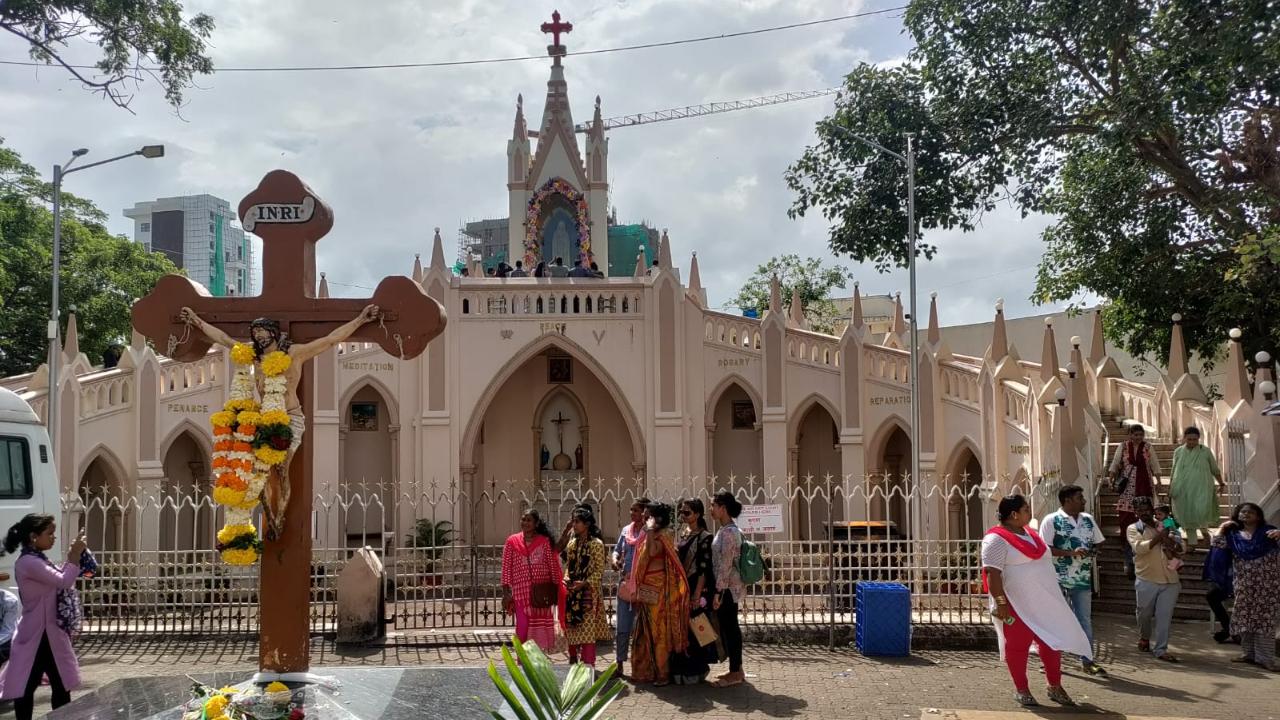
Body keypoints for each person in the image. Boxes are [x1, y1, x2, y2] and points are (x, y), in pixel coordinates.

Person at [179, 304, 380, 537]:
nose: (259, 336)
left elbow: (331, 340)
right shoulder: (253, 357)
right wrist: (196, 320)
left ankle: (280, 516)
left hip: (290, 417)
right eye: (255, 333)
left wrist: (361, 320)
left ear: (273, 332)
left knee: (283, 470)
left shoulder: (294, 353)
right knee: (259, 473)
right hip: (265, 419)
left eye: (263, 331)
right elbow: (223, 339)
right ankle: (269, 516)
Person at [982, 494, 1088, 707]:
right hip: (1016, 605)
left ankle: (1055, 686)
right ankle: (1022, 689)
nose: (1029, 513)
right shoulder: (995, 539)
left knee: (1051, 644)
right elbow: (992, 574)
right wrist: (1001, 603)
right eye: (1026, 510)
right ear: (1014, 514)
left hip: (1045, 603)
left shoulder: (1031, 535)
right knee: (1018, 646)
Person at [0, 514, 88, 719]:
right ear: (33, 536)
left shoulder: (38, 559)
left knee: (57, 686)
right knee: (27, 688)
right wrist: (74, 554)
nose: (53, 538)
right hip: (38, 635)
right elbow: (64, 580)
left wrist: (73, 556)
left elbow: (62, 578)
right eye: (50, 534)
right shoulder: (30, 563)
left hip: (47, 634)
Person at [1038, 484, 1107, 676]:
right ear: (1068, 500)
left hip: (1082, 578)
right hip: (1057, 578)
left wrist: (1092, 550)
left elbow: (1099, 541)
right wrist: (1070, 553)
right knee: (1055, 619)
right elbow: (1045, 549)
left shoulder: (1088, 520)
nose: (1084, 501)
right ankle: (1050, 659)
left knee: (1084, 619)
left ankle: (1087, 660)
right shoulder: (1052, 520)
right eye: (1079, 498)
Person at [1212, 503, 1280, 670]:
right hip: (1244, 585)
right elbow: (1217, 545)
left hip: (1267, 585)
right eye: (1243, 512)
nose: (1246, 514)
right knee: (1245, 618)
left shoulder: (1269, 532)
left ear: (1258, 516)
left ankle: (1265, 658)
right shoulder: (1234, 536)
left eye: (1251, 512)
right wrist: (1222, 527)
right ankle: (1248, 654)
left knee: (1264, 620)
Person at [629, 502, 688, 686]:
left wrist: (649, 530)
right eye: (645, 516)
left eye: (649, 516)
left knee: (657, 631)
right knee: (643, 631)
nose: (645, 519)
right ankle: (646, 671)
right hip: (646, 587)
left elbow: (653, 552)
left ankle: (662, 673)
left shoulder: (664, 534)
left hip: (658, 588)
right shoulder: (650, 534)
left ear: (658, 519)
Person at [1127, 496, 1182, 662]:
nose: (1144, 513)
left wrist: (1173, 540)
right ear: (1135, 512)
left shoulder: (1167, 524)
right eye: (1140, 510)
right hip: (1147, 578)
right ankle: (1144, 637)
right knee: (1144, 614)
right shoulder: (1134, 528)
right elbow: (1139, 548)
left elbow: (1181, 546)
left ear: (1153, 510)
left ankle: (1161, 649)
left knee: (1164, 616)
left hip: (1170, 580)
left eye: (1146, 510)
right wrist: (1159, 536)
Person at [670, 498, 719, 685]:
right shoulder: (683, 533)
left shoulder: (705, 536)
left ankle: (696, 669)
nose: (683, 515)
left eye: (687, 512)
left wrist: (697, 595)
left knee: (695, 629)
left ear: (697, 514)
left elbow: (704, 570)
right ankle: (681, 668)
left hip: (695, 587)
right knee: (681, 629)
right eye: (682, 512)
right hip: (681, 588)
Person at [500, 509, 563, 653]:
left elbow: (552, 564)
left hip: (541, 596)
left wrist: (556, 588)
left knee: (539, 633)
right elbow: (506, 568)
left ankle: (537, 665)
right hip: (521, 595)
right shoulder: (512, 541)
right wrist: (506, 592)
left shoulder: (544, 541)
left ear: (536, 524)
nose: (525, 523)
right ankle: (522, 664)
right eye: (523, 519)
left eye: (529, 520)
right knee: (522, 629)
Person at [1109, 425, 1162, 577]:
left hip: (1145, 485)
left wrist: (1158, 480)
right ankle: (1128, 561)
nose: (1138, 437)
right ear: (1130, 434)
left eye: (1141, 434)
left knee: (1145, 521)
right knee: (1126, 521)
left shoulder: (1148, 447)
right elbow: (1115, 463)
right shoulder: (1123, 446)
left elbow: (1154, 464)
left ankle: (1143, 558)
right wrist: (1111, 478)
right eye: (1136, 434)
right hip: (1127, 488)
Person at [563, 508, 610, 668]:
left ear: (587, 524)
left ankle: (588, 668)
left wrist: (584, 583)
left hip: (588, 593)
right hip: (572, 593)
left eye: (577, 521)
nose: (574, 525)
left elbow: (599, 570)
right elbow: (568, 567)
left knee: (587, 632)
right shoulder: (572, 544)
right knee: (572, 629)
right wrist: (566, 578)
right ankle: (573, 662)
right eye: (573, 521)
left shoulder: (596, 544)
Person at [709, 492, 746, 688]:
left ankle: (736, 672)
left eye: (713, 505)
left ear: (723, 508)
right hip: (726, 588)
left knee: (731, 629)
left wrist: (719, 592)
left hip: (728, 589)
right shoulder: (725, 530)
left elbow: (725, 565)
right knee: (730, 627)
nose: (711, 509)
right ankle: (736, 669)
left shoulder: (730, 533)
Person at [1169, 427, 1225, 551]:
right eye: (1189, 439)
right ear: (1184, 438)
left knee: (1200, 512)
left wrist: (1221, 483)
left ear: (1199, 439)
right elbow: (1174, 470)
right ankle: (1192, 543)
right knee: (1187, 513)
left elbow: (1214, 469)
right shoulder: (1178, 451)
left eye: (1195, 439)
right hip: (1182, 488)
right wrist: (1171, 486)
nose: (1192, 442)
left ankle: (1205, 534)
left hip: (1202, 487)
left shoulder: (1205, 451)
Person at [611, 497, 649, 678]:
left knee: (642, 627)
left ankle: (641, 666)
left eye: (635, 510)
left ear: (644, 512)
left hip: (644, 585)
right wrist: (615, 559)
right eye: (631, 510)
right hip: (626, 584)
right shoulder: (626, 530)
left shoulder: (650, 532)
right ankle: (619, 664)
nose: (632, 513)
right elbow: (617, 550)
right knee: (622, 626)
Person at [1153, 504, 1185, 571]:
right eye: (1156, 514)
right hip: (1167, 538)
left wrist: (1171, 534)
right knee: (1170, 551)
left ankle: (1174, 562)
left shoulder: (1167, 521)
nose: (1157, 516)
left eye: (1159, 514)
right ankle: (1179, 562)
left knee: (1167, 550)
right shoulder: (1161, 521)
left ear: (1166, 514)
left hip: (1172, 537)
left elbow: (1170, 529)